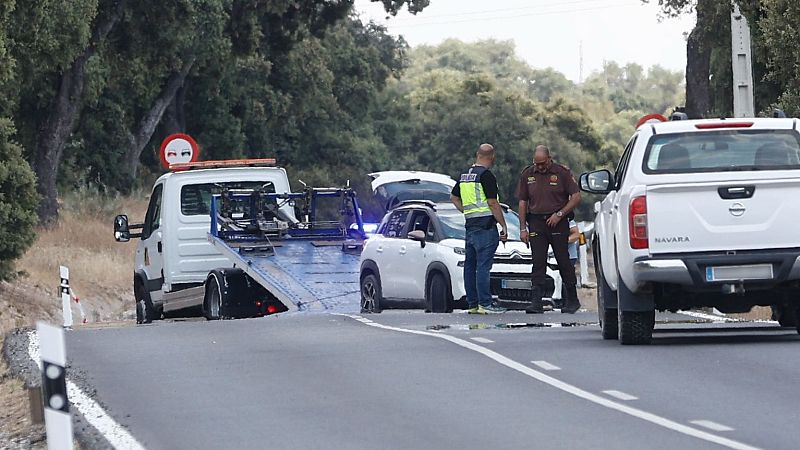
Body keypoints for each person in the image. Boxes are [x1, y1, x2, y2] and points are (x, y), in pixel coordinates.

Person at [517, 145, 582, 314]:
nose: (540, 167)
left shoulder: (562, 173)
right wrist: (522, 228)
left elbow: (576, 196)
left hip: (557, 222)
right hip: (536, 222)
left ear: (549, 159)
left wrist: (560, 214)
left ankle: (572, 299)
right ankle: (536, 302)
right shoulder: (527, 174)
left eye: (543, 163)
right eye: (537, 164)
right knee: (538, 262)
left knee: (563, 260)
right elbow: (523, 201)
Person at [450, 143, 508, 314]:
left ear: (477, 154)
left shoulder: (464, 175)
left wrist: (467, 211)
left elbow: (453, 197)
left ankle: (473, 304)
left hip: (470, 224)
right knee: (483, 266)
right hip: (486, 226)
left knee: (470, 266)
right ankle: (485, 304)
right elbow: (492, 202)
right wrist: (503, 225)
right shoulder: (486, 175)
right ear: (492, 157)